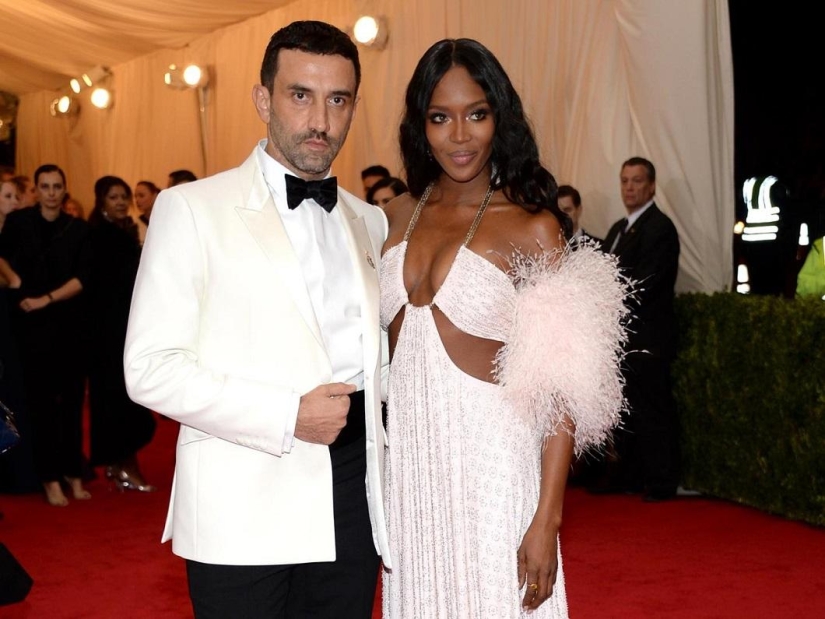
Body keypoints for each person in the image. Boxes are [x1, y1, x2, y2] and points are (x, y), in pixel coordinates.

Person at [124, 20, 390, 619]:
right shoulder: (191, 209)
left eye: (337, 99)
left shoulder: (368, 220)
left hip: (354, 495)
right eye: (301, 95)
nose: (320, 120)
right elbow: (149, 369)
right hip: (242, 499)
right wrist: (287, 415)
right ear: (263, 99)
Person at [380, 39, 629, 618]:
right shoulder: (392, 215)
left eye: (477, 114)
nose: (460, 136)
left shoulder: (532, 226)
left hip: (494, 473)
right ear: (421, 126)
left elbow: (561, 391)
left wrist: (548, 517)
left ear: (500, 117)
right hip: (413, 475)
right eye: (441, 118)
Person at [0, 164, 92, 507]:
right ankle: (50, 478)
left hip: (69, 326)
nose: (52, 192)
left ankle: (72, 472)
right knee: (40, 408)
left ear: (64, 189)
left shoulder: (79, 229)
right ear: (36, 190)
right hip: (30, 330)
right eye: (45, 186)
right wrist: (16, 283)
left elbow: (84, 277)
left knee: (70, 406)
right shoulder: (21, 223)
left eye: (57, 186)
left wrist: (47, 299)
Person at [600, 156, 681, 501]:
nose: (629, 188)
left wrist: (608, 296)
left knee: (652, 407)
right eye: (624, 181)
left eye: (636, 181)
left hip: (648, 336)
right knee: (627, 409)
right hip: (623, 337)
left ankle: (662, 481)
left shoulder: (660, 227)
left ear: (651, 186)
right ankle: (631, 475)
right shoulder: (619, 227)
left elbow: (645, 283)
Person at [87, 176, 156, 492]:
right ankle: (123, 464)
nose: (119, 202)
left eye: (122, 197)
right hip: (107, 332)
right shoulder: (98, 235)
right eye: (113, 197)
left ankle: (121, 464)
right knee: (118, 400)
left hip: (128, 326)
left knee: (129, 398)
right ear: (101, 200)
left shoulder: (125, 230)